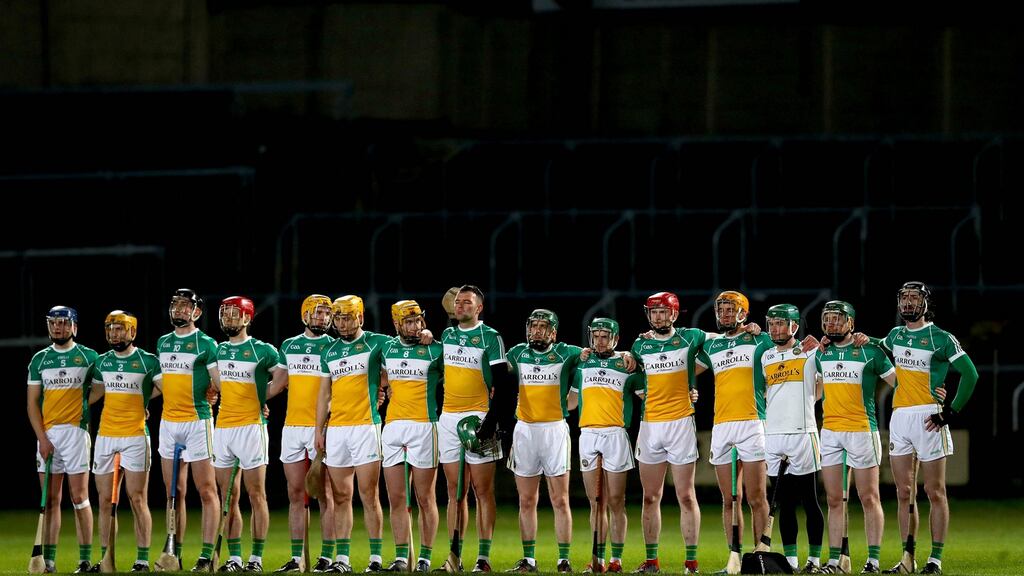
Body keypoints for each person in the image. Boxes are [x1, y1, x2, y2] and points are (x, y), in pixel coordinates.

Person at [879, 282, 977, 575]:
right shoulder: (895, 335)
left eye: (914, 298)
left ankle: (935, 559)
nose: (908, 303)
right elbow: (875, 344)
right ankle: (907, 558)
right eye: (904, 298)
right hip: (900, 418)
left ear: (925, 303)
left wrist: (950, 411)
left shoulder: (941, 337)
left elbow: (970, 375)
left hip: (929, 418)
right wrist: (853, 338)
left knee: (934, 491)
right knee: (903, 491)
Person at [694, 290, 773, 571]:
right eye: (722, 310)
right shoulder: (712, 346)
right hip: (722, 426)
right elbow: (684, 370)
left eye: (731, 310)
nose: (725, 314)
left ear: (743, 313)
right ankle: (734, 560)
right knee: (729, 499)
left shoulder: (759, 339)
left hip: (753, 422)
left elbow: (790, 348)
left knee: (756, 497)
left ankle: (760, 556)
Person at [815, 301, 895, 574]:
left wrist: (933, 391)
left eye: (838, 319)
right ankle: (836, 561)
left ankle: (872, 561)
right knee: (834, 500)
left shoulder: (870, 351)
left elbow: (900, 382)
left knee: (869, 497)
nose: (832, 324)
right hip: (830, 432)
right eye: (828, 319)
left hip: (862, 430)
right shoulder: (820, 354)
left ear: (851, 322)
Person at [629, 292, 706, 574]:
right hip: (650, 426)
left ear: (674, 314)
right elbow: (637, 379)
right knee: (650, 497)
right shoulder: (639, 344)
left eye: (663, 312)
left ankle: (692, 563)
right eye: (653, 312)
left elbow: (721, 345)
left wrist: (689, 382)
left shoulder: (691, 337)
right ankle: (651, 561)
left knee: (686, 496)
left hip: (681, 424)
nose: (657, 317)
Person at [314, 295, 391, 573]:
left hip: (366, 428)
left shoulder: (377, 342)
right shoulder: (330, 351)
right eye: (339, 318)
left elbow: (400, 360)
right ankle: (343, 560)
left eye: (348, 317)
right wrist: (318, 430)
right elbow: (324, 394)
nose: (343, 323)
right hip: (336, 431)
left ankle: (375, 559)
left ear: (360, 317)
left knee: (369, 495)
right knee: (341, 496)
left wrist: (382, 386)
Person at [437, 285, 510, 572]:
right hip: (448, 418)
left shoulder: (490, 337)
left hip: (479, 416)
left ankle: (484, 557)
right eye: (458, 302)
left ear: (479, 308)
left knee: (482, 490)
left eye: (467, 303)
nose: (461, 306)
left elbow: (502, 383)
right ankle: (454, 556)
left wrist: (491, 421)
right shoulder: (446, 335)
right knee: (455, 490)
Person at [505, 309, 582, 573]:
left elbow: (596, 355)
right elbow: (491, 369)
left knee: (560, 499)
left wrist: (626, 356)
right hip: (525, 430)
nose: (536, 331)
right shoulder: (516, 353)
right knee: (527, 500)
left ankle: (563, 560)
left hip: (554, 431)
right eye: (533, 326)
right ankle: (529, 559)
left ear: (553, 332)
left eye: (542, 327)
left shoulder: (567, 353)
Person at [267, 294, 337, 573]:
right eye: (317, 313)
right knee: (295, 494)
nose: (322, 318)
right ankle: (297, 558)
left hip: (322, 428)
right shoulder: (290, 345)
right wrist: (253, 400)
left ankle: (327, 557)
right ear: (304, 315)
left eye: (325, 314)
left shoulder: (334, 346)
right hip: (292, 428)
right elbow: (277, 385)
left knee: (324, 493)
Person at [88, 311, 162, 572]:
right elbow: (95, 393)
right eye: (111, 329)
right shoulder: (101, 362)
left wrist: (143, 401)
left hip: (135, 436)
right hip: (106, 436)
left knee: (137, 498)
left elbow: (165, 388)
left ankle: (142, 559)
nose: (115, 334)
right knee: (105, 500)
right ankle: (106, 558)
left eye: (120, 329)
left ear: (132, 332)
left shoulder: (149, 361)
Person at [212, 296, 282, 572]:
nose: (229, 318)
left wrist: (261, 398)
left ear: (247, 318)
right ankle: (235, 557)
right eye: (225, 313)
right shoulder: (217, 351)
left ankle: (256, 559)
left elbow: (282, 378)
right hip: (223, 429)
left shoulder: (262, 350)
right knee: (228, 496)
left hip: (251, 428)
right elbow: (214, 385)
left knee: (256, 494)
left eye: (234, 313)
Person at [27, 305, 99, 573]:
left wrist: (81, 403)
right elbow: (32, 404)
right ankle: (49, 561)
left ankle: (84, 559)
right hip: (47, 434)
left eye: (63, 323)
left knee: (79, 497)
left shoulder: (88, 356)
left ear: (74, 327)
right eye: (53, 323)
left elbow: (104, 387)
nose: (58, 328)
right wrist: (42, 439)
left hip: (76, 433)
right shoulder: (39, 360)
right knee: (51, 499)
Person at [155, 288, 222, 572]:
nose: (179, 311)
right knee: (174, 492)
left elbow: (219, 383)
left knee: (206, 490)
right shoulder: (163, 342)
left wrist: (222, 397)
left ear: (196, 312)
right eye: (176, 306)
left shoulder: (206, 344)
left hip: (197, 421)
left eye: (185, 306)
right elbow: (162, 383)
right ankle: (174, 552)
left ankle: (207, 555)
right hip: (168, 424)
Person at [755, 304, 825, 573]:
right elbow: (764, 393)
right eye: (771, 323)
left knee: (809, 499)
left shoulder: (810, 353)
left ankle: (815, 560)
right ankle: (792, 560)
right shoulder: (766, 356)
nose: (775, 328)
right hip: (774, 436)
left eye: (781, 323)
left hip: (803, 434)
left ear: (794, 326)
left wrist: (822, 345)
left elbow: (826, 379)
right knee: (784, 502)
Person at [379, 300, 443, 572]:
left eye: (418, 321)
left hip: (424, 426)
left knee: (425, 498)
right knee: (396, 499)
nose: (415, 326)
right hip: (392, 426)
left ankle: (425, 557)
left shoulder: (435, 349)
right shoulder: (385, 347)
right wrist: (382, 390)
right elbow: (379, 377)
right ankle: (401, 556)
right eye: (409, 321)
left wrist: (435, 338)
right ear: (396, 324)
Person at [574, 318, 640, 574]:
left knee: (615, 501)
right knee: (595, 501)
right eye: (596, 336)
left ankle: (616, 559)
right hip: (588, 434)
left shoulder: (628, 365)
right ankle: (597, 559)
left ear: (615, 338)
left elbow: (648, 391)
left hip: (615, 434)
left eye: (605, 336)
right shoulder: (581, 362)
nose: (599, 341)